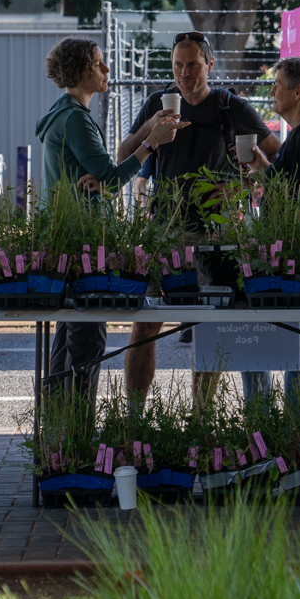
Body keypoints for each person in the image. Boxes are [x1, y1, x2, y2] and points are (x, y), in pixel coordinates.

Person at [115, 31, 280, 413]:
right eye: (177, 65)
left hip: (216, 233)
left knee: (210, 326)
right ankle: (135, 416)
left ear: (209, 65)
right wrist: (151, 130)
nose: (184, 73)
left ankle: (201, 421)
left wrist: (240, 186)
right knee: (144, 325)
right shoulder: (157, 102)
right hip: (164, 229)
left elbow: (275, 160)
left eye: (192, 64)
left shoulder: (229, 106)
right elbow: (123, 155)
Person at [33, 37, 182, 405]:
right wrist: (153, 143)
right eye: (99, 63)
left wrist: (103, 180)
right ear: (83, 70)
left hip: (65, 235)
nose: (106, 70)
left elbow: (103, 178)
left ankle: (57, 432)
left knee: (68, 334)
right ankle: (77, 437)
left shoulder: (59, 114)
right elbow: (112, 177)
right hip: (83, 240)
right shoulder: (76, 120)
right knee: (86, 339)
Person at [240, 54, 300, 403]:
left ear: (297, 92)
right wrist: (261, 164)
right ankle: (289, 431)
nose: (271, 92)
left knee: (295, 344)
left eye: (277, 85)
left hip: (296, 262)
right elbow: (289, 186)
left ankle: (299, 433)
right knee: (289, 341)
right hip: (289, 260)